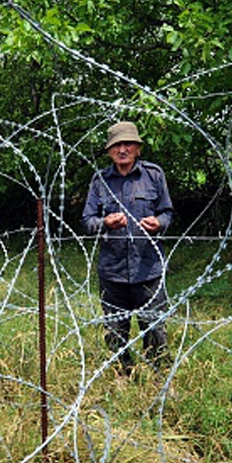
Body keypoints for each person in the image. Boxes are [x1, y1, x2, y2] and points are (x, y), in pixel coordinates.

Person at [82, 121, 174, 376]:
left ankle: (158, 379)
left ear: (138, 148)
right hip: (113, 272)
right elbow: (87, 221)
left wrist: (159, 223)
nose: (122, 149)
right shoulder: (100, 180)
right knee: (115, 332)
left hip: (148, 269)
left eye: (128, 144)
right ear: (109, 151)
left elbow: (167, 213)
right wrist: (105, 223)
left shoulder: (154, 175)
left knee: (155, 330)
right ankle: (123, 378)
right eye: (116, 145)